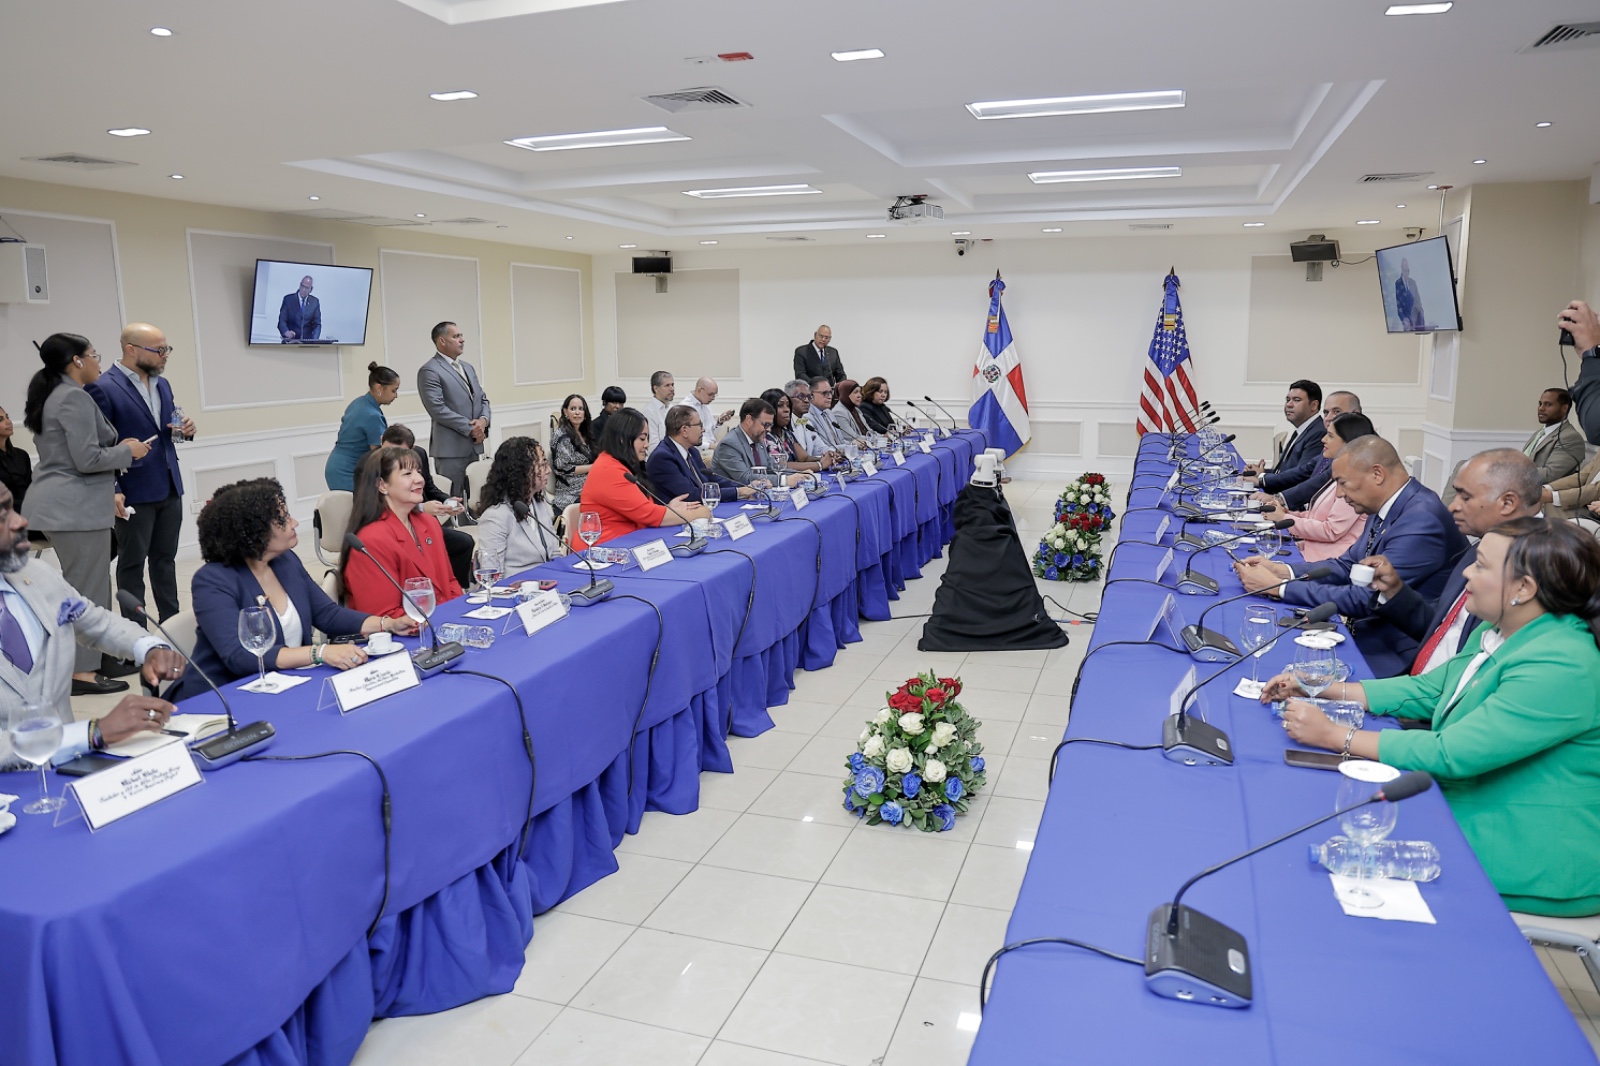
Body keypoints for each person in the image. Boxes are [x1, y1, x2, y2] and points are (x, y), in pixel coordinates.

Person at [1268, 516, 1600, 917]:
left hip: (1527, 850)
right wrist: (1318, 686)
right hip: (1473, 805)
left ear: (1523, 588)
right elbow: (1428, 690)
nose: (1467, 574)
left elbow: (1453, 753)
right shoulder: (1503, 629)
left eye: (1480, 566)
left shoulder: (1563, 662)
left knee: (1326, 838)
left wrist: (1337, 736)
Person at [1235, 435, 1469, 677]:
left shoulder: (1421, 519)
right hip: (1369, 631)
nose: (1338, 494)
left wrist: (1279, 588)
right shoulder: (1387, 503)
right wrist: (1283, 571)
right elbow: (1348, 565)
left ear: (1377, 474)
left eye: (1343, 483)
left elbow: (1366, 597)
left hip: (1395, 651)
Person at [170, 479, 413, 701]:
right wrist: (320, 653)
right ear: (252, 532)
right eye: (283, 518)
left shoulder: (285, 561)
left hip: (287, 688)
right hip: (224, 697)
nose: (294, 522)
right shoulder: (212, 581)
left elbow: (328, 614)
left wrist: (387, 624)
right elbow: (240, 656)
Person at [0, 480, 186, 766]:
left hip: (68, 771)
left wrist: (148, 648)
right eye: (3, 515)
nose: (21, 521)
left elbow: (97, 623)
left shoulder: (36, 574)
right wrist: (92, 733)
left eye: (13, 508)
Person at [22, 333, 149, 696]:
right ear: (77, 361)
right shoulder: (72, 397)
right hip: (72, 508)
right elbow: (87, 459)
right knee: (85, 590)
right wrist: (128, 451)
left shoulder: (56, 393)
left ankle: (97, 658)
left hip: (69, 504)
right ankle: (80, 673)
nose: (98, 361)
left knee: (91, 585)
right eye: (94, 355)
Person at [1363, 449, 1544, 677]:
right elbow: (1440, 627)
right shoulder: (1479, 546)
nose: (1452, 506)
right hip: (1419, 683)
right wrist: (1394, 591)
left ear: (1507, 503)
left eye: (1465, 497)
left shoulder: (1542, 565)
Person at [86, 323, 193, 631]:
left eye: (166, 349)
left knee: (165, 560)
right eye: (158, 349)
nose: (164, 355)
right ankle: (135, 634)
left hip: (169, 485)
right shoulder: (103, 387)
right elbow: (99, 446)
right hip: (132, 491)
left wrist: (185, 431)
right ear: (131, 349)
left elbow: (166, 433)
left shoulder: (163, 384)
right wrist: (113, 488)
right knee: (132, 564)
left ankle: (173, 627)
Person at [340, 446, 463, 618]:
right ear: (382, 485)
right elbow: (385, 615)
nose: (419, 479)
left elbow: (449, 582)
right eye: (407, 474)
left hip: (443, 621)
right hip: (406, 630)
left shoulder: (428, 523)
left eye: (418, 472)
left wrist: (459, 615)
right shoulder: (372, 540)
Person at [570, 408, 709, 549]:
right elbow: (648, 515)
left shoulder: (621, 463)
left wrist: (667, 509)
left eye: (647, 438)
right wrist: (697, 514)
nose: (646, 445)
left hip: (626, 542)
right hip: (602, 548)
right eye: (642, 438)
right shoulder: (608, 470)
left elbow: (639, 508)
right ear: (622, 439)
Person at [1259, 411, 1373, 562]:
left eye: (1330, 436)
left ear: (1349, 443)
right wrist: (1288, 514)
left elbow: (1331, 531)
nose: (1323, 439)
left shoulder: (1355, 481)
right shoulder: (1341, 472)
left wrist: (1284, 518)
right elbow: (1317, 517)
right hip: (1311, 550)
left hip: (1328, 562)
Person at [379, 424, 473, 591]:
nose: (393, 456)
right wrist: (421, 508)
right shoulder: (368, 464)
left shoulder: (419, 455)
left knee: (464, 543)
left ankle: (456, 589)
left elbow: (429, 487)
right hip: (392, 525)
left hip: (422, 524)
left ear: (411, 449)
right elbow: (371, 504)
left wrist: (447, 501)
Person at [417, 321, 490, 500]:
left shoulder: (468, 367)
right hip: (450, 451)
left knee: (474, 499)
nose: (462, 340)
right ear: (442, 341)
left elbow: (482, 398)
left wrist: (483, 421)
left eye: (461, 336)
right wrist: (471, 427)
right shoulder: (430, 370)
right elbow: (437, 409)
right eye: (456, 336)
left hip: (473, 446)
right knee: (452, 501)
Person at [1257, 390, 1361, 513]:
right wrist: (1262, 478)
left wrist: (1280, 499)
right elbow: (1305, 470)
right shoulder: (1336, 441)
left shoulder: (1363, 449)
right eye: (1326, 412)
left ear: (1356, 414)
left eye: (1336, 412)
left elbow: (1321, 480)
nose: (1328, 418)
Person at [473, 436, 562, 574]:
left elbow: (554, 552)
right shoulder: (495, 516)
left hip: (550, 580)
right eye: (542, 465)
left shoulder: (537, 501)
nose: (548, 470)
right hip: (518, 585)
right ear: (524, 472)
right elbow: (492, 575)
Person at [646, 404, 755, 502]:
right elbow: (690, 494)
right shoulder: (662, 458)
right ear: (684, 430)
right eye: (699, 425)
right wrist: (739, 492)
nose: (703, 430)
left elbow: (712, 480)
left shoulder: (692, 451)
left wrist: (748, 486)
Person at [325, 362, 399, 493]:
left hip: (336, 466)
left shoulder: (358, 403)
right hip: (347, 471)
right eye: (393, 390)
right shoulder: (372, 415)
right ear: (379, 388)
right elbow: (378, 455)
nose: (396, 395)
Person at [1244, 380, 1325, 495]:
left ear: (1314, 405)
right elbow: (1285, 471)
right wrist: (1262, 473)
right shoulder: (1303, 429)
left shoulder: (1318, 433)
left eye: (1297, 400)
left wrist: (1262, 478)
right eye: (1288, 400)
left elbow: (1302, 475)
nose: (1289, 405)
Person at [712, 398, 810, 488]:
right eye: (766, 425)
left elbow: (771, 468)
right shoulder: (729, 444)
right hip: (732, 499)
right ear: (749, 420)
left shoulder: (757, 439)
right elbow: (745, 478)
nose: (769, 430)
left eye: (770, 425)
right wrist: (784, 480)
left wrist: (798, 474)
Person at [760, 388, 837, 474]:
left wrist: (827, 458)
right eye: (780, 405)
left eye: (788, 405)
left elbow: (804, 458)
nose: (787, 410)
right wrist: (820, 465)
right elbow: (780, 465)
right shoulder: (765, 436)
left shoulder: (786, 433)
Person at [1521, 388, 1585, 484]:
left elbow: (1550, 474)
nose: (1541, 408)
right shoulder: (1540, 432)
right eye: (1540, 404)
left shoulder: (1570, 438)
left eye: (1548, 404)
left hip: (1541, 490)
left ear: (1564, 408)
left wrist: (1514, 474)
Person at [550, 393, 596, 511]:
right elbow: (563, 469)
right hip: (570, 492)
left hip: (589, 485)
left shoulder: (586, 433)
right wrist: (593, 467)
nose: (577, 412)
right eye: (573, 409)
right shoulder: (561, 435)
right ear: (565, 412)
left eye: (581, 409)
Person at [1541, 447, 1600, 520]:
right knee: (1548, 504)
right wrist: (1547, 488)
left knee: (1551, 504)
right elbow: (1583, 475)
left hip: (1595, 511)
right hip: (1587, 505)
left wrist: (1552, 496)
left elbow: (1596, 490)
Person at [802, 376, 853, 452]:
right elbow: (818, 449)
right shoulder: (806, 417)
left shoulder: (828, 413)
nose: (830, 397)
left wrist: (852, 444)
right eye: (825, 393)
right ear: (811, 395)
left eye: (830, 392)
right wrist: (847, 447)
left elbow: (840, 441)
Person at [0, 406, 32, 515]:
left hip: (29, 513)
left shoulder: (22, 455)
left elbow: (31, 488)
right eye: (1, 419)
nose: (8, 422)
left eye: (7, 417)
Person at [681, 377, 736, 441]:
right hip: (700, 446)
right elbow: (689, 439)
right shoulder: (685, 407)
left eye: (714, 395)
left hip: (712, 444)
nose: (713, 398)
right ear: (699, 390)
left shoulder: (706, 404)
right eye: (710, 394)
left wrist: (719, 422)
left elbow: (712, 433)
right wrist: (710, 445)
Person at [278, 275, 321, 342]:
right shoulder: (288, 299)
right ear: (300, 285)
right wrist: (286, 332)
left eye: (307, 288)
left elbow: (317, 324)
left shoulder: (314, 302)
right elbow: (282, 321)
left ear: (311, 289)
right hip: (290, 342)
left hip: (307, 343)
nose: (304, 290)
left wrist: (314, 340)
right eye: (303, 286)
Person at [642, 371, 675, 450]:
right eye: (667, 385)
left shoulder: (672, 408)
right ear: (656, 388)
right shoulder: (649, 412)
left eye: (672, 385)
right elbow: (652, 446)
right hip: (660, 455)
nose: (672, 389)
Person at [1394, 257, 1426, 330]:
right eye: (1405, 270)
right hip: (1407, 321)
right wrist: (1404, 319)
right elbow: (1399, 306)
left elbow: (1418, 301)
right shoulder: (1398, 284)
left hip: (1417, 319)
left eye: (1407, 270)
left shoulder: (1413, 282)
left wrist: (1421, 316)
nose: (1406, 272)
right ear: (1402, 269)